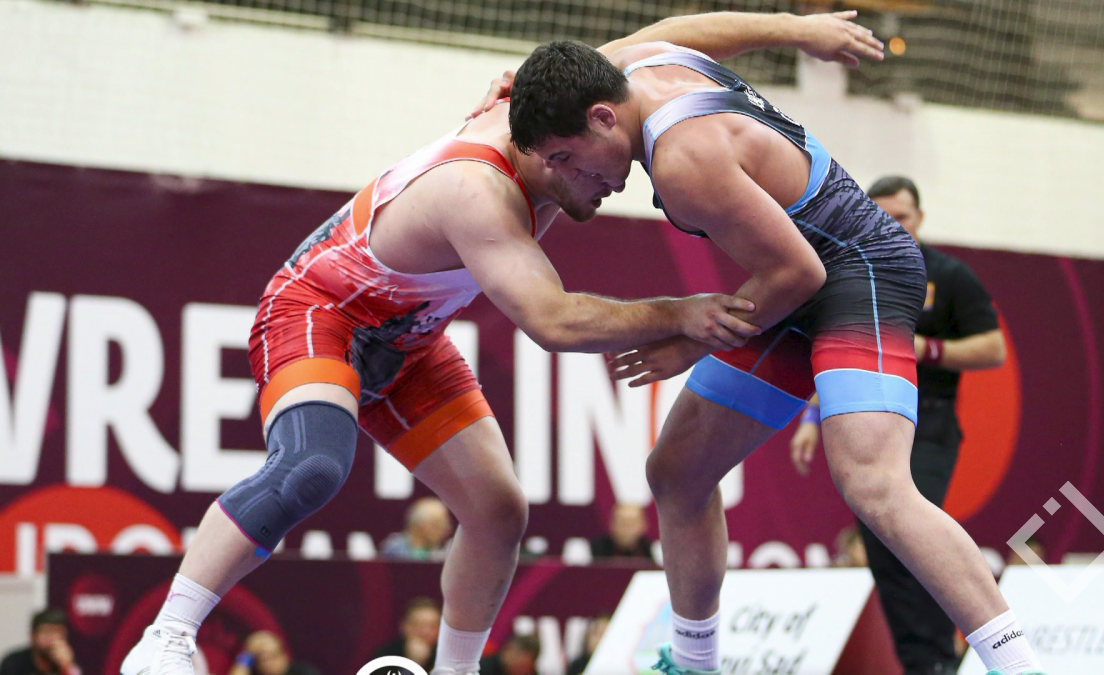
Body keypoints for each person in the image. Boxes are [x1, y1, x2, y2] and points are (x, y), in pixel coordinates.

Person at [118, 10, 882, 675]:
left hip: (410, 336)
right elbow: (554, 320)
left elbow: (671, 37)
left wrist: (796, 31)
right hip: (322, 311)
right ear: (552, 154)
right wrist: (681, 313)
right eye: (594, 175)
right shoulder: (476, 189)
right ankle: (166, 636)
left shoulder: (568, 106)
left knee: (497, 510)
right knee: (313, 466)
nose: (618, 181)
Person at [505, 31, 1045, 675]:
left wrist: (686, 341)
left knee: (874, 483)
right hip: (797, 277)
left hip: (858, 270)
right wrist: (794, 27)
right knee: (677, 473)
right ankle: (694, 663)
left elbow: (800, 273)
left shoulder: (681, 160)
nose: (572, 177)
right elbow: (701, 25)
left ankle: (1019, 666)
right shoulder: (636, 63)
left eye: (568, 158)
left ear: (601, 117)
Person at [791, 175, 1008, 675]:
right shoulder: (854, 272)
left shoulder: (949, 276)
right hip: (870, 417)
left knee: (916, 536)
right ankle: (920, 663)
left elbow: (993, 348)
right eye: (882, 214)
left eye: (902, 216)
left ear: (921, 218)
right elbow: (838, 350)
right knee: (882, 547)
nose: (892, 224)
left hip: (928, 423)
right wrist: (811, 416)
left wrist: (926, 349)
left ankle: (948, 658)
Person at [372, 597, 442, 672]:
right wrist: (414, 663)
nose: (425, 632)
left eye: (432, 626)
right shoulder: (386, 655)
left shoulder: (446, 655)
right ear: (404, 626)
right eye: (418, 625)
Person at [0, 609, 79, 675]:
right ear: (33, 635)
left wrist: (67, 667)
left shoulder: (67, 662)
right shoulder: (14, 663)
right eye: (47, 632)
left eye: (58, 633)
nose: (53, 639)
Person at [381, 497, 454, 560]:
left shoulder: (438, 551)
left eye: (446, 525)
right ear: (423, 525)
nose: (446, 530)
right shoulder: (395, 548)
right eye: (438, 525)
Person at [227, 631, 320, 675]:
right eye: (263, 659)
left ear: (284, 656)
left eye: (272, 656)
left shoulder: (302, 671)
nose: (268, 663)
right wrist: (247, 654)